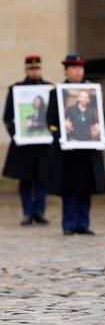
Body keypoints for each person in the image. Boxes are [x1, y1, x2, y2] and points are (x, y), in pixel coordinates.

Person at [46, 53, 105, 235]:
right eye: (73, 67)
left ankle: (83, 224)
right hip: (68, 149)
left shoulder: (93, 92)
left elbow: (101, 118)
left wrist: (99, 131)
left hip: (88, 149)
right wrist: (62, 132)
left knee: (86, 187)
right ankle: (69, 224)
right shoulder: (57, 92)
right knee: (69, 187)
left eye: (80, 67)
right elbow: (51, 120)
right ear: (66, 70)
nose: (77, 71)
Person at [2, 55, 52, 226]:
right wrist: (17, 134)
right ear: (26, 70)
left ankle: (39, 211)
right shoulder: (16, 89)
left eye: (37, 68)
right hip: (23, 144)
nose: (34, 71)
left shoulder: (49, 88)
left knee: (43, 180)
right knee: (25, 180)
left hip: (44, 144)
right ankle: (27, 212)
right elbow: (8, 117)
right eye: (31, 69)